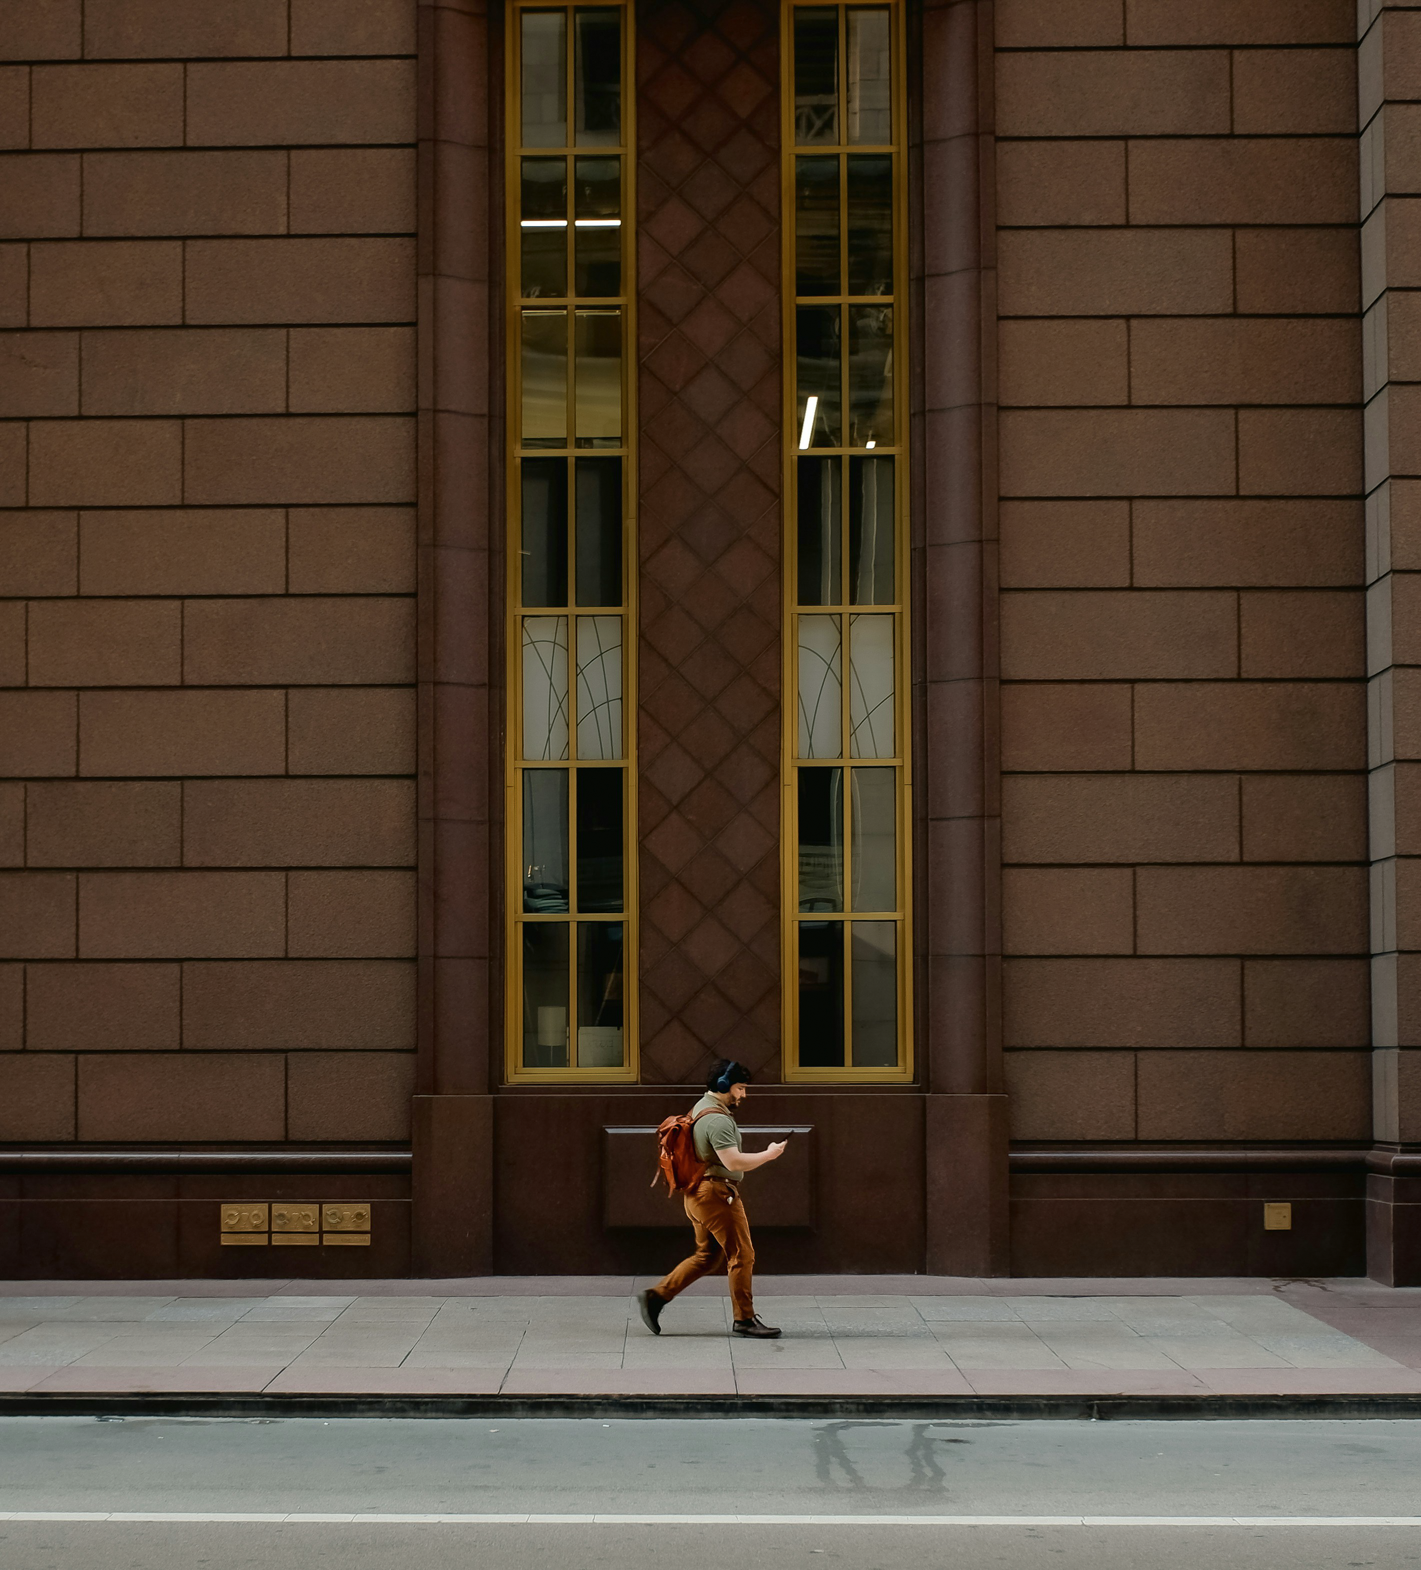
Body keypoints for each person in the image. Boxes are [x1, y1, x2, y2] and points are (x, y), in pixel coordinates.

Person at [637, 1059, 786, 1339]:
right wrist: (769, 1154)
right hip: (716, 1195)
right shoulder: (717, 1119)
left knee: (707, 1256)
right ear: (723, 1085)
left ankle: (656, 1296)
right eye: (740, 1088)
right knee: (742, 1255)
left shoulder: (699, 1108)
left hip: (697, 1196)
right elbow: (733, 1161)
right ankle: (744, 1319)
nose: (744, 1095)